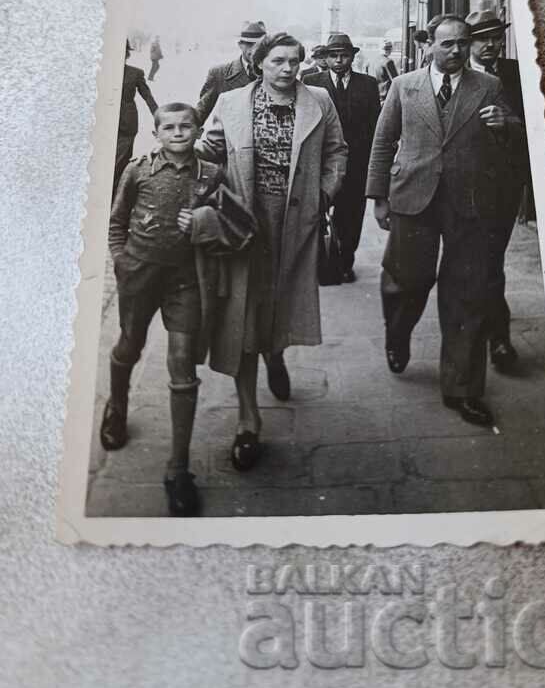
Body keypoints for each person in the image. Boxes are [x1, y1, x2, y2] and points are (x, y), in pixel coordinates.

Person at [197, 32, 348, 470]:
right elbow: (211, 154)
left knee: (276, 306)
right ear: (258, 62)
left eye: (294, 61)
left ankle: (275, 353)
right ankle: (248, 419)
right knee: (242, 316)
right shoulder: (231, 103)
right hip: (245, 223)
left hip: (295, 222)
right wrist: (198, 157)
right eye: (278, 61)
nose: (288, 69)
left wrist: (324, 194)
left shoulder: (318, 100)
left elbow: (338, 152)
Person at [365, 13, 524, 426]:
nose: (456, 50)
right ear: (429, 46)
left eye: (462, 43)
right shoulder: (405, 86)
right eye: (447, 43)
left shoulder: (488, 85)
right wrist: (378, 197)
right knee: (408, 280)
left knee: (466, 293)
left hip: (470, 203)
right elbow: (383, 141)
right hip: (413, 197)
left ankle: (463, 389)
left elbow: (514, 136)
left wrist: (504, 125)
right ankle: (397, 333)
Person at [102, 103, 226, 516]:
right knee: (129, 347)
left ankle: (178, 469)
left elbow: (230, 224)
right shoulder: (137, 170)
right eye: (168, 127)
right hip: (140, 276)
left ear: (198, 129)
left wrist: (205, 222)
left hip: (186, 280)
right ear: (156, 134)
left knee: (182, 365)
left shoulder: (210, 173)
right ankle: (117, 405)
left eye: (185, 126)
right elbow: (116, 221)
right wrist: (121, 260)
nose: (177, 132)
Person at [466, 8, 531, 371]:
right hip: (462, 186)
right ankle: (489, 335)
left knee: (489, 262)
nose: (490, 44)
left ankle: (496, 338)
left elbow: (538, 130)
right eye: (481, 38)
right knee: (478, 264)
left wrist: (509, 122)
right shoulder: (455, 76)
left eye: (495, 37)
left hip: (503, 186)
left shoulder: (517, 75)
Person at [305, 31, 381, 282]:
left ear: (352, 57)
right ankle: (320, 262)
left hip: (357, 163)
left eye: (344, 55)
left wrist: (372, 164)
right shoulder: (310, 81)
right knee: (318, 210)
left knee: (351, 216)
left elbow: (375, 126)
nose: (339, 60)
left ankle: (346, 262)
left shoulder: (368, 85)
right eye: (333, 56)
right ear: (325, 58)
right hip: (322, 160)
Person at [195, 19, 266, 125]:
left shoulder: (273, 73)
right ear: (240, 44)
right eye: (249, 44)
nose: (255, 49)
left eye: (259, 45)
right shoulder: (219, 74)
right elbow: (199, 115)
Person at [113, 41, 158, 196]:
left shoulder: (135, 73)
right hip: (104, 125)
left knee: (120, 163)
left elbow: (147, 96)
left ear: (127, 54)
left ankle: (117, 196)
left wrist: (159, 117)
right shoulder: (101, 70)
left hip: (126, 125)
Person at [374, 40, 399, 104]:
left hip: (375, 94)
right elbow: (395, 80)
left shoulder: (373, 61)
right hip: (386, 96)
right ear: (390, 49)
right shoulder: (388, 62)